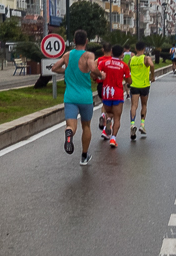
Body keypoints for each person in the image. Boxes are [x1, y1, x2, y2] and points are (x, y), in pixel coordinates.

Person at [51, 29, 102, 165]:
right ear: (86, 41)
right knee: (86, 126)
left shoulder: (67, 55)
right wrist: (101, 74)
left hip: (70, 98)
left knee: (71, 125)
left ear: (74, 41)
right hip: (85, 98)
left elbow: (54, 67)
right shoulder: (88, 55)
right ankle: (84, 156)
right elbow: (92, 68)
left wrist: (66, 71)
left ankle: (69, 133)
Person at [97, 43, 130, 147]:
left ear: (111, 52)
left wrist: (98, 79)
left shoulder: (104, 63)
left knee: (109, 113)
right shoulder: (124, 66)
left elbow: (96, 74)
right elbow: (129, 80)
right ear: (121, 54)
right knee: (117, 118)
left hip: (106, 93)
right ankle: (113, 138)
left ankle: (105, 117)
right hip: (117, 94)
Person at [128, 40, 155, 141]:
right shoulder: (146, 58)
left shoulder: (132, 59)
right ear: (144, 49)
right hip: (144, 85)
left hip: (134, 85)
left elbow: (127, 69)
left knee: (134, 105)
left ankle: (132, 124)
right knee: (144, 105)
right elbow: (152, 65)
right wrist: (152, 76)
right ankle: (142, 125)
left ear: (135, 49)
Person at [95, 41, 112, 138]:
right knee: (110, 109)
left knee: (104, 104)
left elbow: (93, 70)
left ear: (102, 50)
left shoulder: (98, 60)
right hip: (110, 86)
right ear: (111, 50)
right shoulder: (113, 60)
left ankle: (102, 115)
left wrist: (96, 78)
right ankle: (106, 130)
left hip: (100, 85)